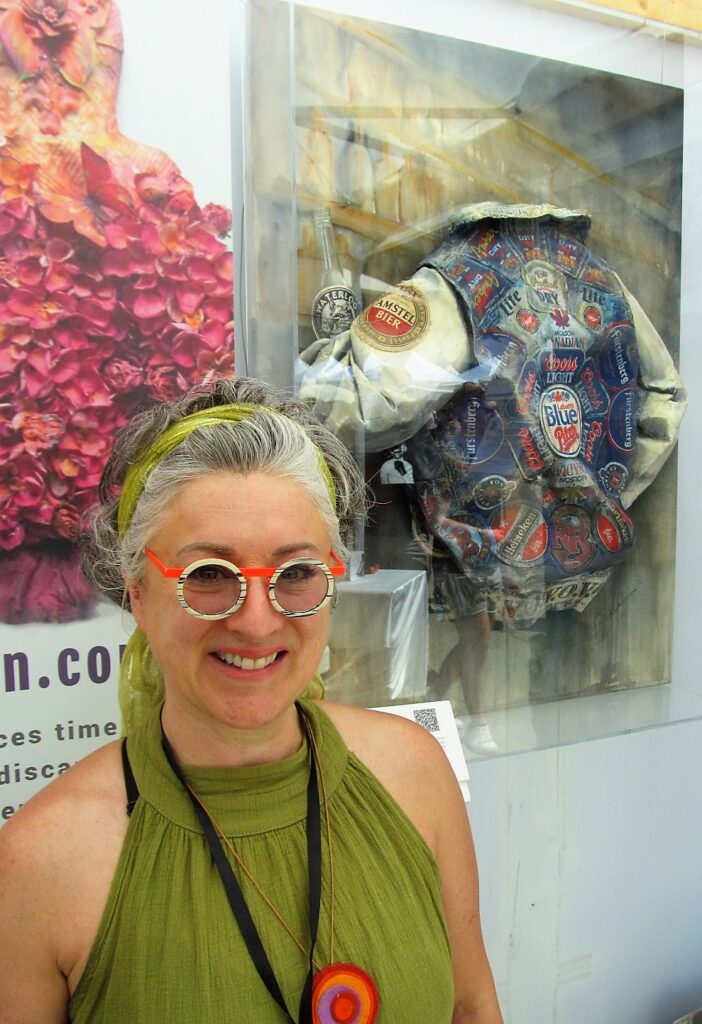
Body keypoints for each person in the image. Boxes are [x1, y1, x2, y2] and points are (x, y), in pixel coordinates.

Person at [0, 376, 502, 1024]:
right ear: (138, 593)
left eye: (296, 573)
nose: (258, 622)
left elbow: (472, 1005)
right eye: (210, 574)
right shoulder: (41, 864)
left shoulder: (414, 774)